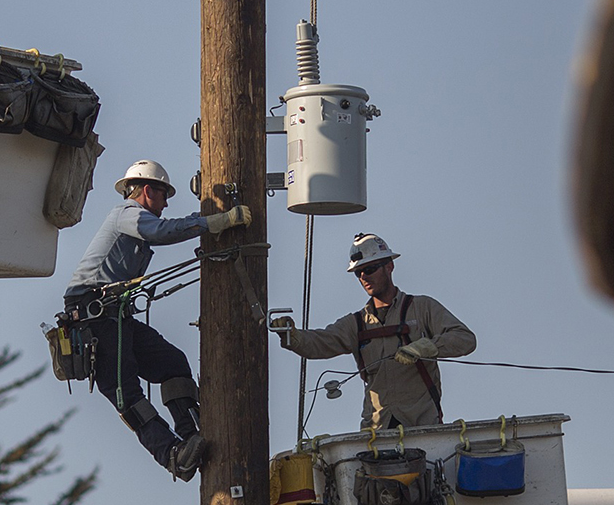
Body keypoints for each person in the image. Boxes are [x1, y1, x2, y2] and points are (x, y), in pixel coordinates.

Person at [61, 160, 251, 479]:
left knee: (172, 363)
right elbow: (162, 231)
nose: (165, 203)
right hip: (93, 318)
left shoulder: (133, 218)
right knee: (127, 394)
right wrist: (216, 222)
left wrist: (210, 222)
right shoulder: (126, 214)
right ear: (148, 190)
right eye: (163, 195)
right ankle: (172, 455)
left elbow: (165, 228)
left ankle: (191, 435)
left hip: (115, 316)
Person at [273, 232, 474, 431]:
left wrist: (427, 347)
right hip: (377, 433)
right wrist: (292, 334)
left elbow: (465, 339)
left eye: (369, 269)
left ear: (389, 266)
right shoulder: (357, 324)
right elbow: (320, 342)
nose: (363, 277)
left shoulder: (422, 309)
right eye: (358, 273)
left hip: (422, 430)